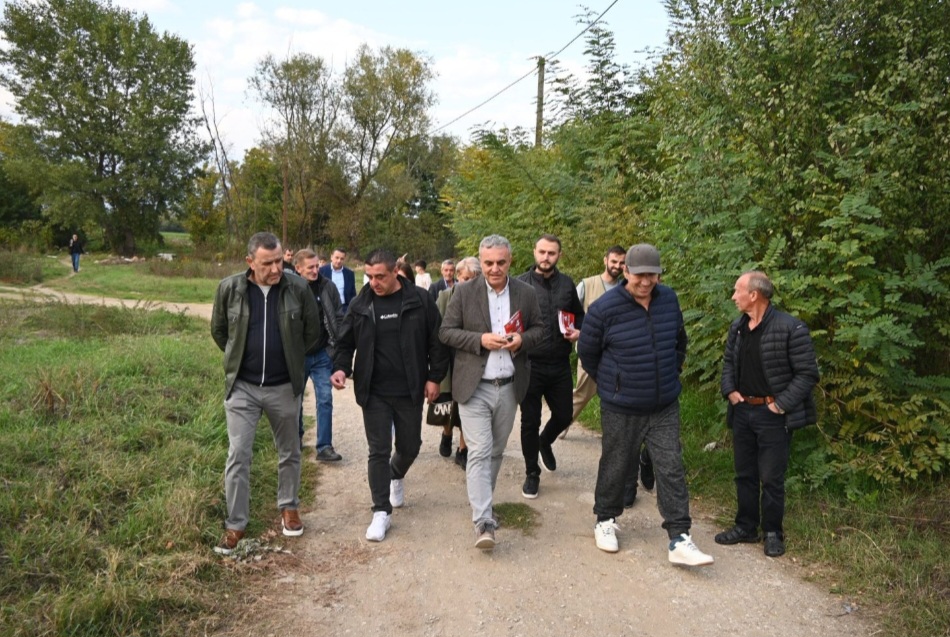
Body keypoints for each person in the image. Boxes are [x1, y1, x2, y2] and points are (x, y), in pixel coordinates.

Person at [577, 243, 713, 566]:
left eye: (652, 275)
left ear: (659, 275)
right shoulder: (604, 308)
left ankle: (679, 537)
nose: (645, 281)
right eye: (639, 275)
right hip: (622, 405)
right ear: (625, 271)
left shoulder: (669, 299)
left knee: (671, 466)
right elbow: (587, 352)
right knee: (616, 463)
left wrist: (670, 373)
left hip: (664, 404)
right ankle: (605, 519)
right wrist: (613, 384)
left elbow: (679, 341)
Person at [210, 232, 324, 555]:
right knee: (238, 454)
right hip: (242, 388)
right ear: (250, 262)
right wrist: (240, 360)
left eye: (278, 261)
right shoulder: (230, 289)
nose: (276, 269)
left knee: (290, 450)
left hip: (284, 386)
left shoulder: (297, 288)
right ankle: (236, 524)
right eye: (267, 263)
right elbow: (220, 332)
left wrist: (290, 361)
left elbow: (312, 333)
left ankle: (289, 508)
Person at [330, 249, 449, 542]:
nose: (374, 282)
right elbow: (345, 343)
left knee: (410, 446)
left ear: (396, 271)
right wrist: (341, 368)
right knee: (378, 450)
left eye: (380, 276)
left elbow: (437, 341)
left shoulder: (419, 300)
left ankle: (395, 473)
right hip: (374, 391)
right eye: (369, 276)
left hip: (409, 388)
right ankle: (381, 511)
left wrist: (434, 377)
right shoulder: (361, 303)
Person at [439, 235, 544, 550]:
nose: (494, 268)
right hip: (474, 387)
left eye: (500, 262)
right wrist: (480, 340)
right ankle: (483, 521)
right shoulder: (464, 291)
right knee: (480, 451)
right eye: (488, 263)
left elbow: (541, 330)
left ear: (510, 260)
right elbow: (446, 332)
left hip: (509, 387)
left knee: (496, 451)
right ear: (480, 262)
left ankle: (483, 501)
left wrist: (522, 340)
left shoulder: (526, 293)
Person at [715, 271, 819, 558]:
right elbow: (728, 363)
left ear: (754, 295)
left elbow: (808, 374)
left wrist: (780, 405)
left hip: (773, 414)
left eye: (737, 291)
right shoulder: (738, 327)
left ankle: (773, 532)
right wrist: (729, 390)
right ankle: (746, 527)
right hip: (742, 410)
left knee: (771, 477)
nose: (733, 297)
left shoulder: (791, 328)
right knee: (744, 474)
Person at [516, 234, 584, 499]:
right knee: (529, 421)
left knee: (565, 415)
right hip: (529, 364)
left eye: (551, 253)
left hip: (559, 363)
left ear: (559, 256)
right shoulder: (520, 284)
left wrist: (577, 331)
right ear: (534, 251)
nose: (546, 257)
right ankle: (532, 473)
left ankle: (545, 441)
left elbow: (579, 316)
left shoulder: (567, 284)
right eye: (542, 252)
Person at [293, 249, 344, 462]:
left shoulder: (328, 287)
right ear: (298, 268)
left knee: (325, 399)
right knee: (294, 400)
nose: (315, 270)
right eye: (310, 267)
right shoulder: (290, 289)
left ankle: (324, 447)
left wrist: (335, 349)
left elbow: (339, 317)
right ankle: (295, 439)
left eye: (317, 266)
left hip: (322, 354)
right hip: (297, 356)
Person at [434, 256, 480, 469]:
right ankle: (446, 433)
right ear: (458, 277)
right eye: (466, 278)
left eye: (474, 278)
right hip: (448, 359)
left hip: (470, 360)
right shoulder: (444, 297)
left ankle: (463, 449)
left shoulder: (481, 301)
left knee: (467, 404)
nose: (469, 283)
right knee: (446, 403)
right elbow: (436, 331)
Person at [319, 248, 357, 315]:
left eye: (342, 259)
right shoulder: (321, 271)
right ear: (331, 257)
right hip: (326, 310)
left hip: (344, 309)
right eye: (337, 258)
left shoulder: (349, 274)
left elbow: (353, 294)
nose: (339, 261)